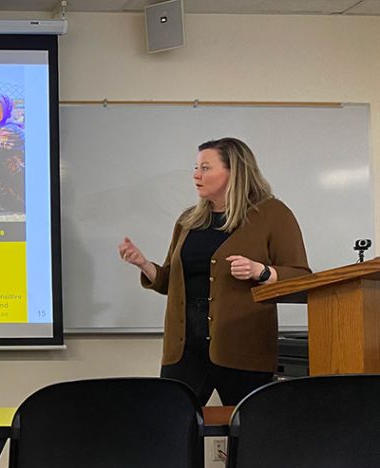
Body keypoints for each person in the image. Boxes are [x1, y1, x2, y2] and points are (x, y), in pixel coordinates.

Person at [118, 137, 310, 406]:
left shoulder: (272, 214)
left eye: (205, 168)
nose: (196, 175)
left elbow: (302, 278)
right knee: (174, 427)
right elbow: (170, 282)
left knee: (251, 431)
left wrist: (261, 271)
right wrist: (144, 265)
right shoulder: (188, 221)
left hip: (243, 346)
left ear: (235, 171)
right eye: (195, 168)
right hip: (184, 349)